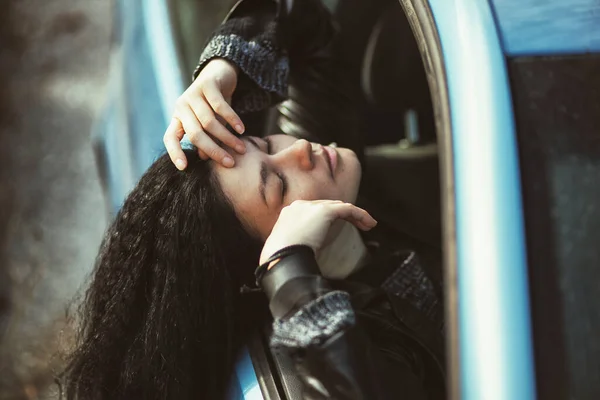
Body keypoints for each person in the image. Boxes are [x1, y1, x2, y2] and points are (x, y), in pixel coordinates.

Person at [61, 0, 445, 399]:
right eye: (277, 185)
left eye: (263, 142)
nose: (298, 151)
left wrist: (227, 65)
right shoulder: (357, 338)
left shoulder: (328, 171)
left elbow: (305, 19)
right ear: (266, 261)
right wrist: (290, 276)